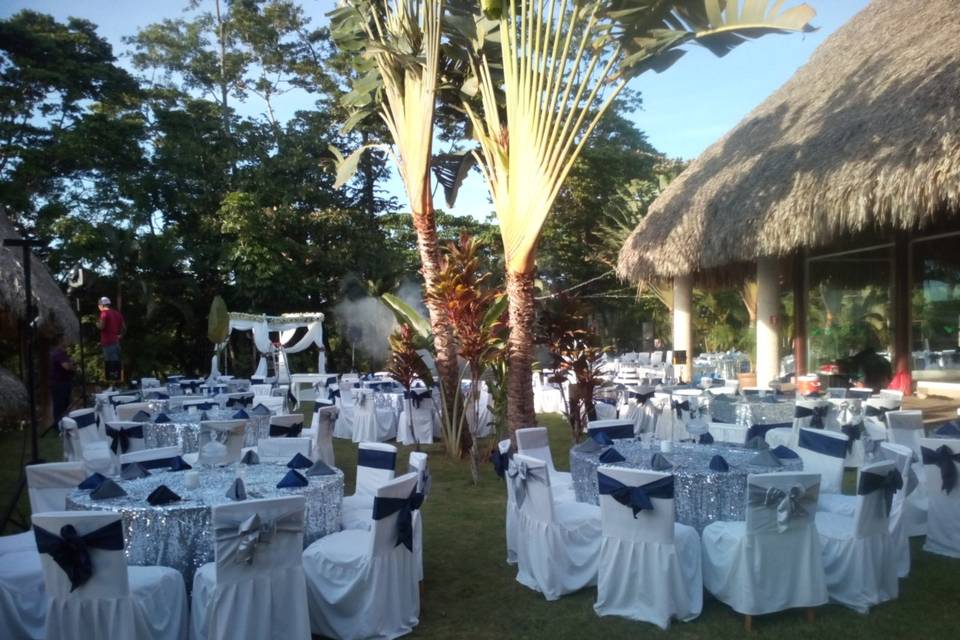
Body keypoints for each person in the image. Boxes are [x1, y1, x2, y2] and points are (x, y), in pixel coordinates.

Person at [96, 296, 126, 382]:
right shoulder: (117, 313)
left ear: (101, 305)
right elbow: (124, 328)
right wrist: (120, 336)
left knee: (111, 365)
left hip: (108, 343)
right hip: (116, 343)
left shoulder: (104, 313)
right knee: (116, 364)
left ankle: (113, 387)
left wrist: (97, 324)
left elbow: (101, 326)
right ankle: (117, 386)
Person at [49, 333, 74, 429]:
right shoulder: (59, 353)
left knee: (64, 405)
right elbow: (67, 366)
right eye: (65, 339)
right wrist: (72, 366)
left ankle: (63, 424)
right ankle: (58, 426)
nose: (67, 341)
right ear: (60, 340)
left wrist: (71, 365)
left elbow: (69, 364)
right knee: (59, 406)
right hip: (59, 384)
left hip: (63, 382)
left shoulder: (62, 353)